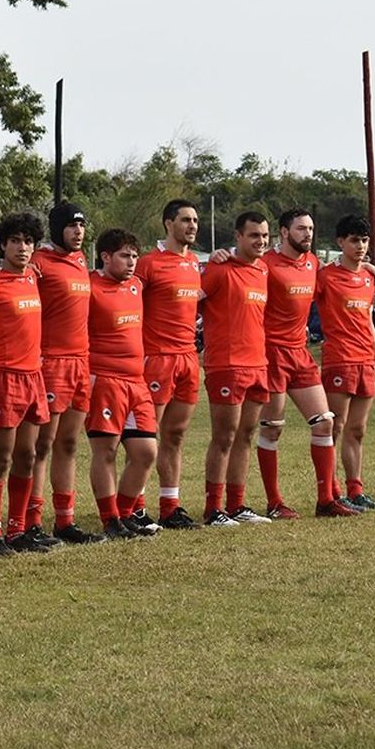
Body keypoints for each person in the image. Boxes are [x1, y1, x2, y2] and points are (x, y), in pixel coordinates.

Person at [255, 210, 343, 519]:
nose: (308, 234)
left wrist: (366, 265)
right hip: (270, 355)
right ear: (283, 232)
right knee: (272, 430)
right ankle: (274, 503)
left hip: (300, 354)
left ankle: (326, 500)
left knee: (324, 422)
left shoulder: (313, 264)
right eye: (301, 228)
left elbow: (334, 278)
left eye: (311, 229)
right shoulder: (264, 264)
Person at [0, 212, 54, 556]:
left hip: (33, 375)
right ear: (3, 245)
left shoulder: (34, 277)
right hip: (1, 376)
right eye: (15, 241)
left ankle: (18, 530)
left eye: (28, 242)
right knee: (1, 458)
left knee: (28, 454)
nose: (23, 248)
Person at [29, 201, 100, 544]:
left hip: (80, 363)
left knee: (69, 443)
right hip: (50, 363)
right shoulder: (39, 263)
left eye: (82, 226)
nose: (78, 232)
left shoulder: (81, 261)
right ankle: (31, 521)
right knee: (42, 445)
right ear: (57, 229)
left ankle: (65, 521)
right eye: (72, 226)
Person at [315, 215, 375, 512]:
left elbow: (369, 324)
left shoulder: (368, 279)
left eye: (364, 241)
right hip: (339, 360)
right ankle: (332, 494)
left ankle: (356, 489)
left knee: (357, 430)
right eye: (353, 240)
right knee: (335, 427)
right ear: (340, 243)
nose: (360, 246)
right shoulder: (325, 276)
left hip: (365, 361)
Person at [199, 212, 273, 527]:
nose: (261, 242)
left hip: (258, 364)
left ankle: (237, 504)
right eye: (254, 235)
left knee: (246, 435)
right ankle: (213, 509)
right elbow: (189, 301)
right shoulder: (219, 269)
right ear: (238, 237)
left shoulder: (264, 270)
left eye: (265, 236)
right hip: (226, 365)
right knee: (225, 436)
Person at [135, 200, 204, 529]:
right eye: (185, 220)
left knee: (175, 435)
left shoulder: (193, 263)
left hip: (189, 359)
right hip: (156, 359)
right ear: (168, 224)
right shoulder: (148, 263)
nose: (192, 225)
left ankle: (170, 505)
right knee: (145, 439)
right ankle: (136, 506)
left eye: (195, 220)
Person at [86, 228, 158, 540]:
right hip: (104, 379)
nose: (131, 262)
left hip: (137, 381)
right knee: (106, 451)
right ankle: (110, 520)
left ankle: (125, 514)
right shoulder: (88, 286)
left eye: (134, 255)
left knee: (146, 452)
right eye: (124, 256)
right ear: (105, 256)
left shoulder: (137, 286)